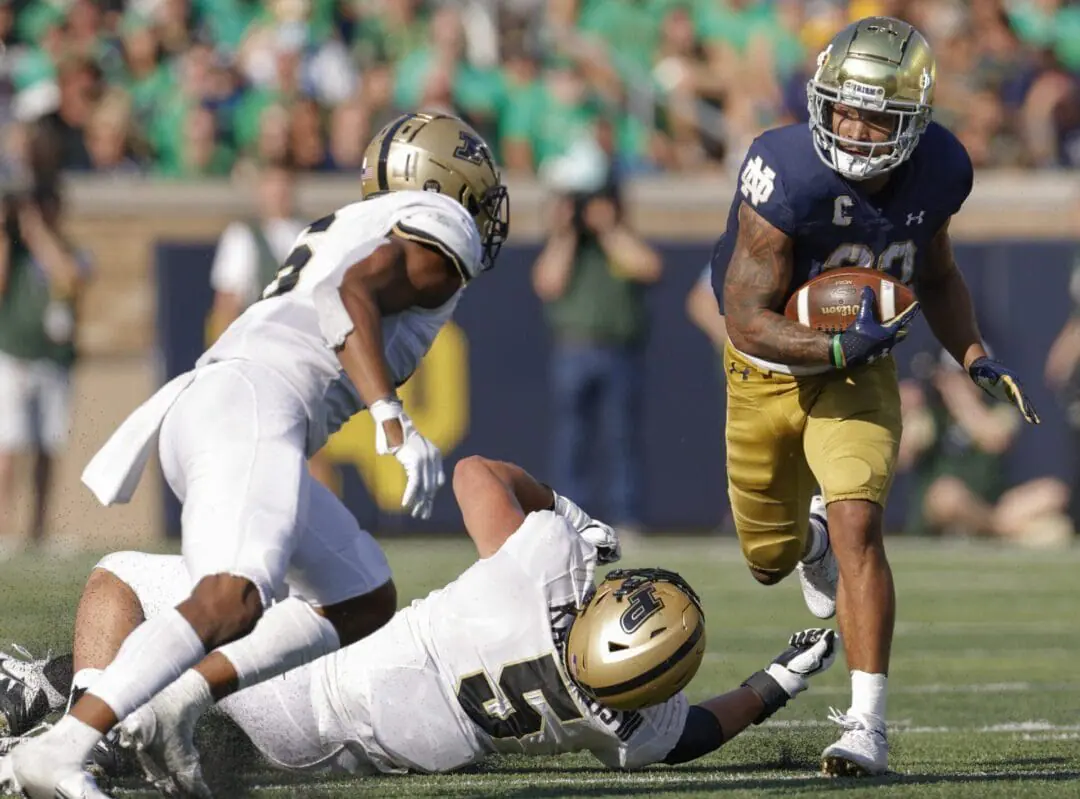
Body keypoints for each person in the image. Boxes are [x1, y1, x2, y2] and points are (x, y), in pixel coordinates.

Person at [0, 111, 510, 798]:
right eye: (474, 181)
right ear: (437, 183)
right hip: (255, 405)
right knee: (232, 597)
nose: (483, 201)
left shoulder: (355, 223)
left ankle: (177, 702)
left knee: (361, 593)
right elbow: (350, 294)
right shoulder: (434, 224)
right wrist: (391, 418)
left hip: (228, 398)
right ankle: (64, 743)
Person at [1, 456, 837, 794]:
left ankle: (80, 720)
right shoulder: (626, 726)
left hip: (296, 675)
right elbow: (694, 732)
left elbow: (478, 473)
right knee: (188, 742)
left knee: (122, 580)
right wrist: (778, 681)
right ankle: (55, 700)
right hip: (322, 760)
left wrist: (569, 513)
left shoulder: (541, 567)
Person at [712, 16, 1039, 777]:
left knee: (861, 520)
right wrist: (830, 343)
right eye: (844, 108)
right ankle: (810, 545)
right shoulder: (784, 170)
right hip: (764, 371)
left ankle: (865, 725)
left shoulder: (941, 169)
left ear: (914, 121)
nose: (855, 129)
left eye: (875, 116)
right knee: (769, 559)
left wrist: (974, 354)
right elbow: (744, 317)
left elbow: (938, 273)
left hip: (860, 371)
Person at [532, 134, 663, 533]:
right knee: (572, 439)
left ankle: (626, 515)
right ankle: (570, 516)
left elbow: (648, 267)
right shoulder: (565, 242)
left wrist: (607, 228)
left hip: (619, 348)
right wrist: (567, 231)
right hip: (574, 346)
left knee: (622, 438)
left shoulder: (619, 238)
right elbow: (547, 283)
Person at [899, 347, 1072, 547]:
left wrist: (961, 400)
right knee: (946, 495)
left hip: (988, 504)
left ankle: (993, 527)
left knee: (1052, 493)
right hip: (943, 510)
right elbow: (904, 456)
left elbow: (994, 438)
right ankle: (1003, 529)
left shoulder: (999, 412)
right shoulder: (931, 416)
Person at [0, 183, 91, 552]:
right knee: (8, 447)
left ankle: (39, 530)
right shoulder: (13, 254)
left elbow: (70, 279)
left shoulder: (71, 250)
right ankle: (3, 530)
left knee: (47, 448)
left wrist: (37, 234)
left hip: (54, 362)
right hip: (14, 357)